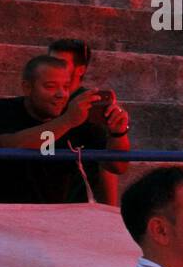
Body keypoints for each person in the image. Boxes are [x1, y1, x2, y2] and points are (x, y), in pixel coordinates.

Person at [0, 54, 129, 203]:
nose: (61, 94)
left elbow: (118, 167)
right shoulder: (4, 110)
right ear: (27, 87)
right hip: (8, 214)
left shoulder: (80, 118)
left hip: (62, 216)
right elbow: (11, 145)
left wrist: (119, 133)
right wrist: (67, 121)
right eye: (50, 86)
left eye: (66, 87)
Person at [46, 38, 130, 204]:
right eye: (49, 61)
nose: (53, 67)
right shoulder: (39, 100)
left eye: (61, 63)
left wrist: (119, 132)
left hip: (73, 204)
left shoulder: (91, 106)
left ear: (80, 70)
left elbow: (112, 167)